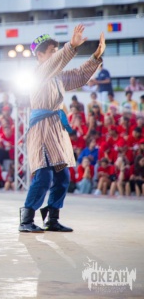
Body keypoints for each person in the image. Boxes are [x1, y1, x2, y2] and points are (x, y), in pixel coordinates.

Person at [19, 24, 106, 233]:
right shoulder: (38, 72)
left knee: (63, 176)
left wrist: (96, 56)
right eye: (52, 51)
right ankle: (26, 219)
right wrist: (71, 46)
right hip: (41, 128)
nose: (55, 54)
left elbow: (79, 75)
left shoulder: (57, 76)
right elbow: (56, 63)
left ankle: (52, 219)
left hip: (56, 128)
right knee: (44, 176)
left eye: (56, 50)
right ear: (40, 55)